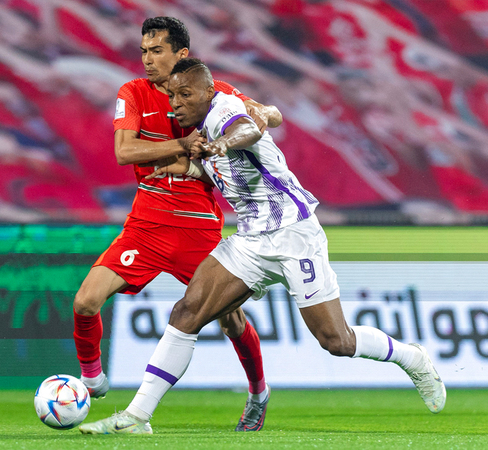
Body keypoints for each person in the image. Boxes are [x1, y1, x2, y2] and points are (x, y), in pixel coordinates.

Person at [79, 58, 446, 435]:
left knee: (336, 341)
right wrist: (189, 168)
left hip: (293, 234)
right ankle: (137, 417)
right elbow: (226, 170)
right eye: (172, 96)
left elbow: (247, 131)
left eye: (185, 95)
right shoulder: (199, 130)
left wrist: (221, 143)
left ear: (208, 92)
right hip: (251, 240)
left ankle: (411, 357)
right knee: (187, 312)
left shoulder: (224, 110)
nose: (177, 103)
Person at [72, 17, 283, 432]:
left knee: (231, 320)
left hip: (198, 226)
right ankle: (92, 380)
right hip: (146, 224)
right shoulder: (133, 92)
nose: (148, 60)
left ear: (181, 54)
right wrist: (182, 145)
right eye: (144, 52)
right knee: (85, 302)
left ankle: (259, 392)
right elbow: (124, 151)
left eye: (157, 51)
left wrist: (262, 113)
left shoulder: (211, 92)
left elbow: (268, 117)